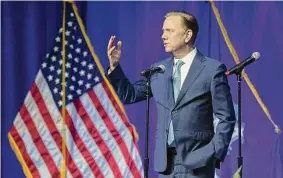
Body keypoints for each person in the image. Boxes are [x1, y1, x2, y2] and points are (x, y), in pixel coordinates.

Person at [106, 11, 236, 178]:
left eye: (169, 31)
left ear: (188, 35)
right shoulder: (159, 70)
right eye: (163, 31)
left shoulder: (212, 70)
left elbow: (227, 118)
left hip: (198, 163)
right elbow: (129, 94)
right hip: (166, 164)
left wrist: (213, 153)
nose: (163, 36)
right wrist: (114, 66)